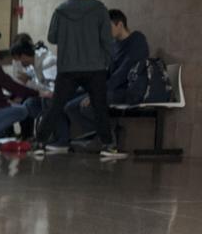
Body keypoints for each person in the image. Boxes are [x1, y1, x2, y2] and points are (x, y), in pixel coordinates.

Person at [34, 0, 129, 159]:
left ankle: (39, 143)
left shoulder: (61, 10)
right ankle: (108, 147)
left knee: (56, 106)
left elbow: (52, 37)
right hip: (94, 68)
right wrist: (106, 61)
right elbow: (107, 41)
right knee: (99, 106)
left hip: (68, 67)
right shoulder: (100, 10)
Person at [57, 8, 151, 146]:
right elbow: (106, 72)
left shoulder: (137, 40)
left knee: (88, 105)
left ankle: (109, 141)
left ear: (120, 25)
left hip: (131, 90)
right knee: (70, 107)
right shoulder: (113, 46)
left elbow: (123, 72)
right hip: (112, 89)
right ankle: (99, 136)